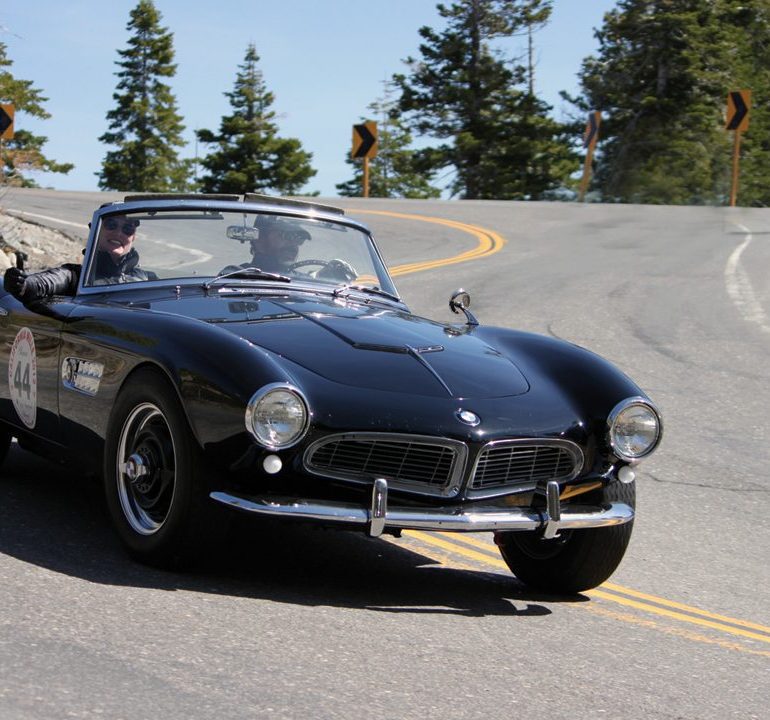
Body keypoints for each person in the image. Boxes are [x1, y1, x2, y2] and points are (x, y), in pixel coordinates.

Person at [4, 214, 155, 302]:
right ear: (95, 231)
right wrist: (22, 284)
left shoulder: (148, 280)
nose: (119, 233)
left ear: (133, 237)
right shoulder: (76, 276)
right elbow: (46, 282)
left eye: (127, 229)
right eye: (111, 225)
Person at [223, 216, 356, 282]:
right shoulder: (234, 274)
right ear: (260, 238)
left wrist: (325, 278)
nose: (293, 244)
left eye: (299, 238)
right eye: (286, 235)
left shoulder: (302, 279)